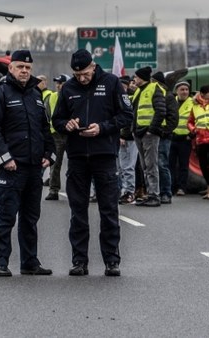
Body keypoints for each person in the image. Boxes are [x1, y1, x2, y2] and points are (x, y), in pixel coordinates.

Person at [52, 49, 132, 277]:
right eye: (77, 75)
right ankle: (79, 261)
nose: (82, 78)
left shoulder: (111, 83)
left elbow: (127, 115)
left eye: (85, 74)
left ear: (93, 66)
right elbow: (56, 119)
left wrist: (103, 128)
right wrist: (66, 124)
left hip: (104, 156)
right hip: (77, 157)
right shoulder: (68, 88)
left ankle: (111, 261)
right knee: (78, 212)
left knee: (108, 210)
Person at [0, 50, 56, 277]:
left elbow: (45, 128)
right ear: (11, 68)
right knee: (6, 216)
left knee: (30, 218)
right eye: (19, 67)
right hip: (11, 167)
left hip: (34, 167)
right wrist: (5, 158)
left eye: (28, 68)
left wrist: (50, 153)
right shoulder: (0, 93)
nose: (24, 71)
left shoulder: (36, 94)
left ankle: (30, 262)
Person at [131, 66, 166, 207]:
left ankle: (154, 195)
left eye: (136, 77)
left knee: (151, 165)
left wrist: (152, 129)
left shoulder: (154, 89)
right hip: (139, 132)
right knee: (145, 166)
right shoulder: (139, 91)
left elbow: (161, 111)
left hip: (149, 134)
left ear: (141, 78)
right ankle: (148, 193)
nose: (134, 79)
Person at [153, 72, 178, 205]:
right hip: (153, 135)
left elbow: (173, 119)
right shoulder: (155, 95)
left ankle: (166, 193)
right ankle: (154, 192)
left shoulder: (168, 97)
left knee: (162, 164)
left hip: (163, 137)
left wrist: (163, 131)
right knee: (152, 165)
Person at [45, 74, 70, 201]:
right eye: (57, 83)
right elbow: (46, 116)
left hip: (71, 134)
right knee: (55, 163)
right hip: (56, 135)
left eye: (61, 83)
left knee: (75, 164)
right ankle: (53, 190)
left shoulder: (73, 95)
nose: (59, 85)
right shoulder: (51, 97)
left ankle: (74, 189)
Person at [116, 75, 138, 204]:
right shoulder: (116, 98)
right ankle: (123, 191)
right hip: (120, 137)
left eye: (124, 86)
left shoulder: (131, 98)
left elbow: (130, 119)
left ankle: (130, 192)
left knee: (129, 166)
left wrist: (123, 134)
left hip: (130, 137)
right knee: (121, 167)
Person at [169, 81, 192, 196]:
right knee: (170, 165)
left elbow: (198, 120)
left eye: (186, 90)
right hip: (172, 138)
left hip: (185, 139)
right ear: (176, 91)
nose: (184, 92)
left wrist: (191, 135)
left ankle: (182, 187)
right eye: (182, 89)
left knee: (183, 165)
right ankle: (172, 187)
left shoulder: (193, 103)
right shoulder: (172, 101)